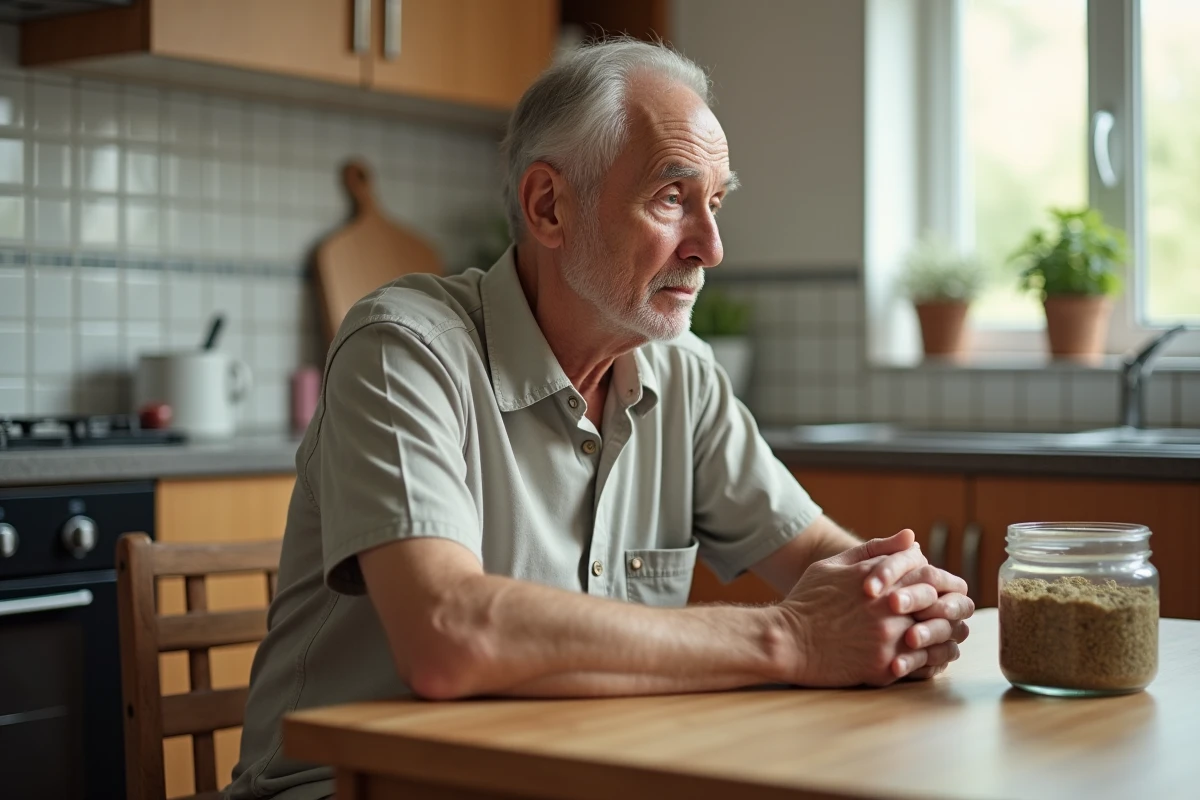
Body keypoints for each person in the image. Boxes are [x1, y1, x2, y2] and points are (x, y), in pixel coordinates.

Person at [227, 38, 973, 800]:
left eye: (715, 203)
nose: (711, 247)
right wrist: (795, 636)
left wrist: (905, 603)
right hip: (347, 786)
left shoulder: (683, 376)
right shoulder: (405, 349)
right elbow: (446, 637)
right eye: (673, 198)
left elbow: (826, 564)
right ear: (549, 206)